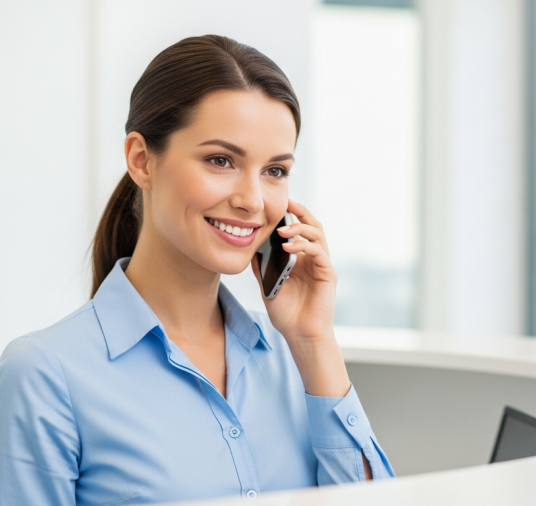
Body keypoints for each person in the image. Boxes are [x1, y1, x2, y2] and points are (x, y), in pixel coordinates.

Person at [0, 35, 393, 505]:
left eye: (274, 171)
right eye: (220, 161)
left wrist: (314, 342)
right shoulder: (45, 374)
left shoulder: (292, 359)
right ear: (141, 161)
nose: (252, 200)